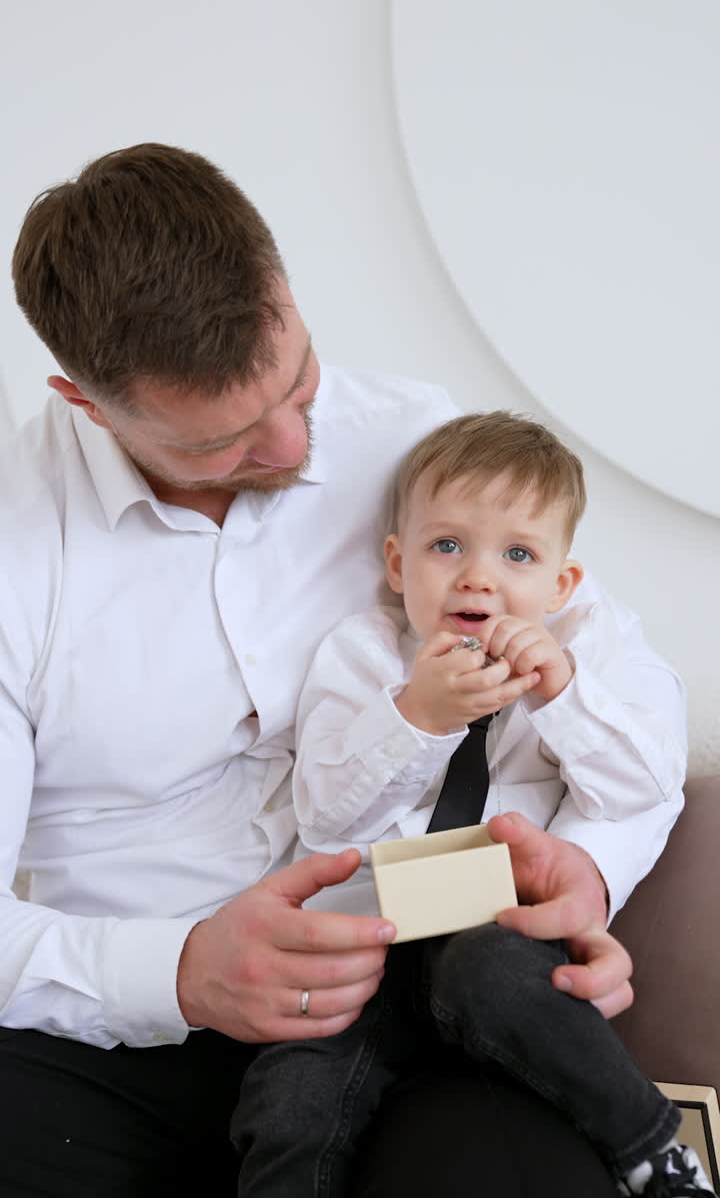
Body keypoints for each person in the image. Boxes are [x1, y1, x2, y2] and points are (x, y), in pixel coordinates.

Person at [0, 143, 685, 1198]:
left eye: (300, 380)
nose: (291, 443)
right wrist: (176, 973)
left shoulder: (413, 442)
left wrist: (589, 867)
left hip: (428, 993)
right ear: (87, 403)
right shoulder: (14, 545)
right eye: (226, 439)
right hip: (116, 1031)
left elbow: (602, 656)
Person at [229, 411, 706, 1198]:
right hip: (366, 944)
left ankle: (657, 1156)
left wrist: (564, 697)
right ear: (396, 562)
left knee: (503, 974)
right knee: (289, 1094)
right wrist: (414, 716)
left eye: (517, 554)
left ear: (561, 585)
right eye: (446, 545)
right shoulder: (362, 653)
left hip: (493, 935)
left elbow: (643, 787)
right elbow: (323, 816)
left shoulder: (587, 655)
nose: (478, 577)